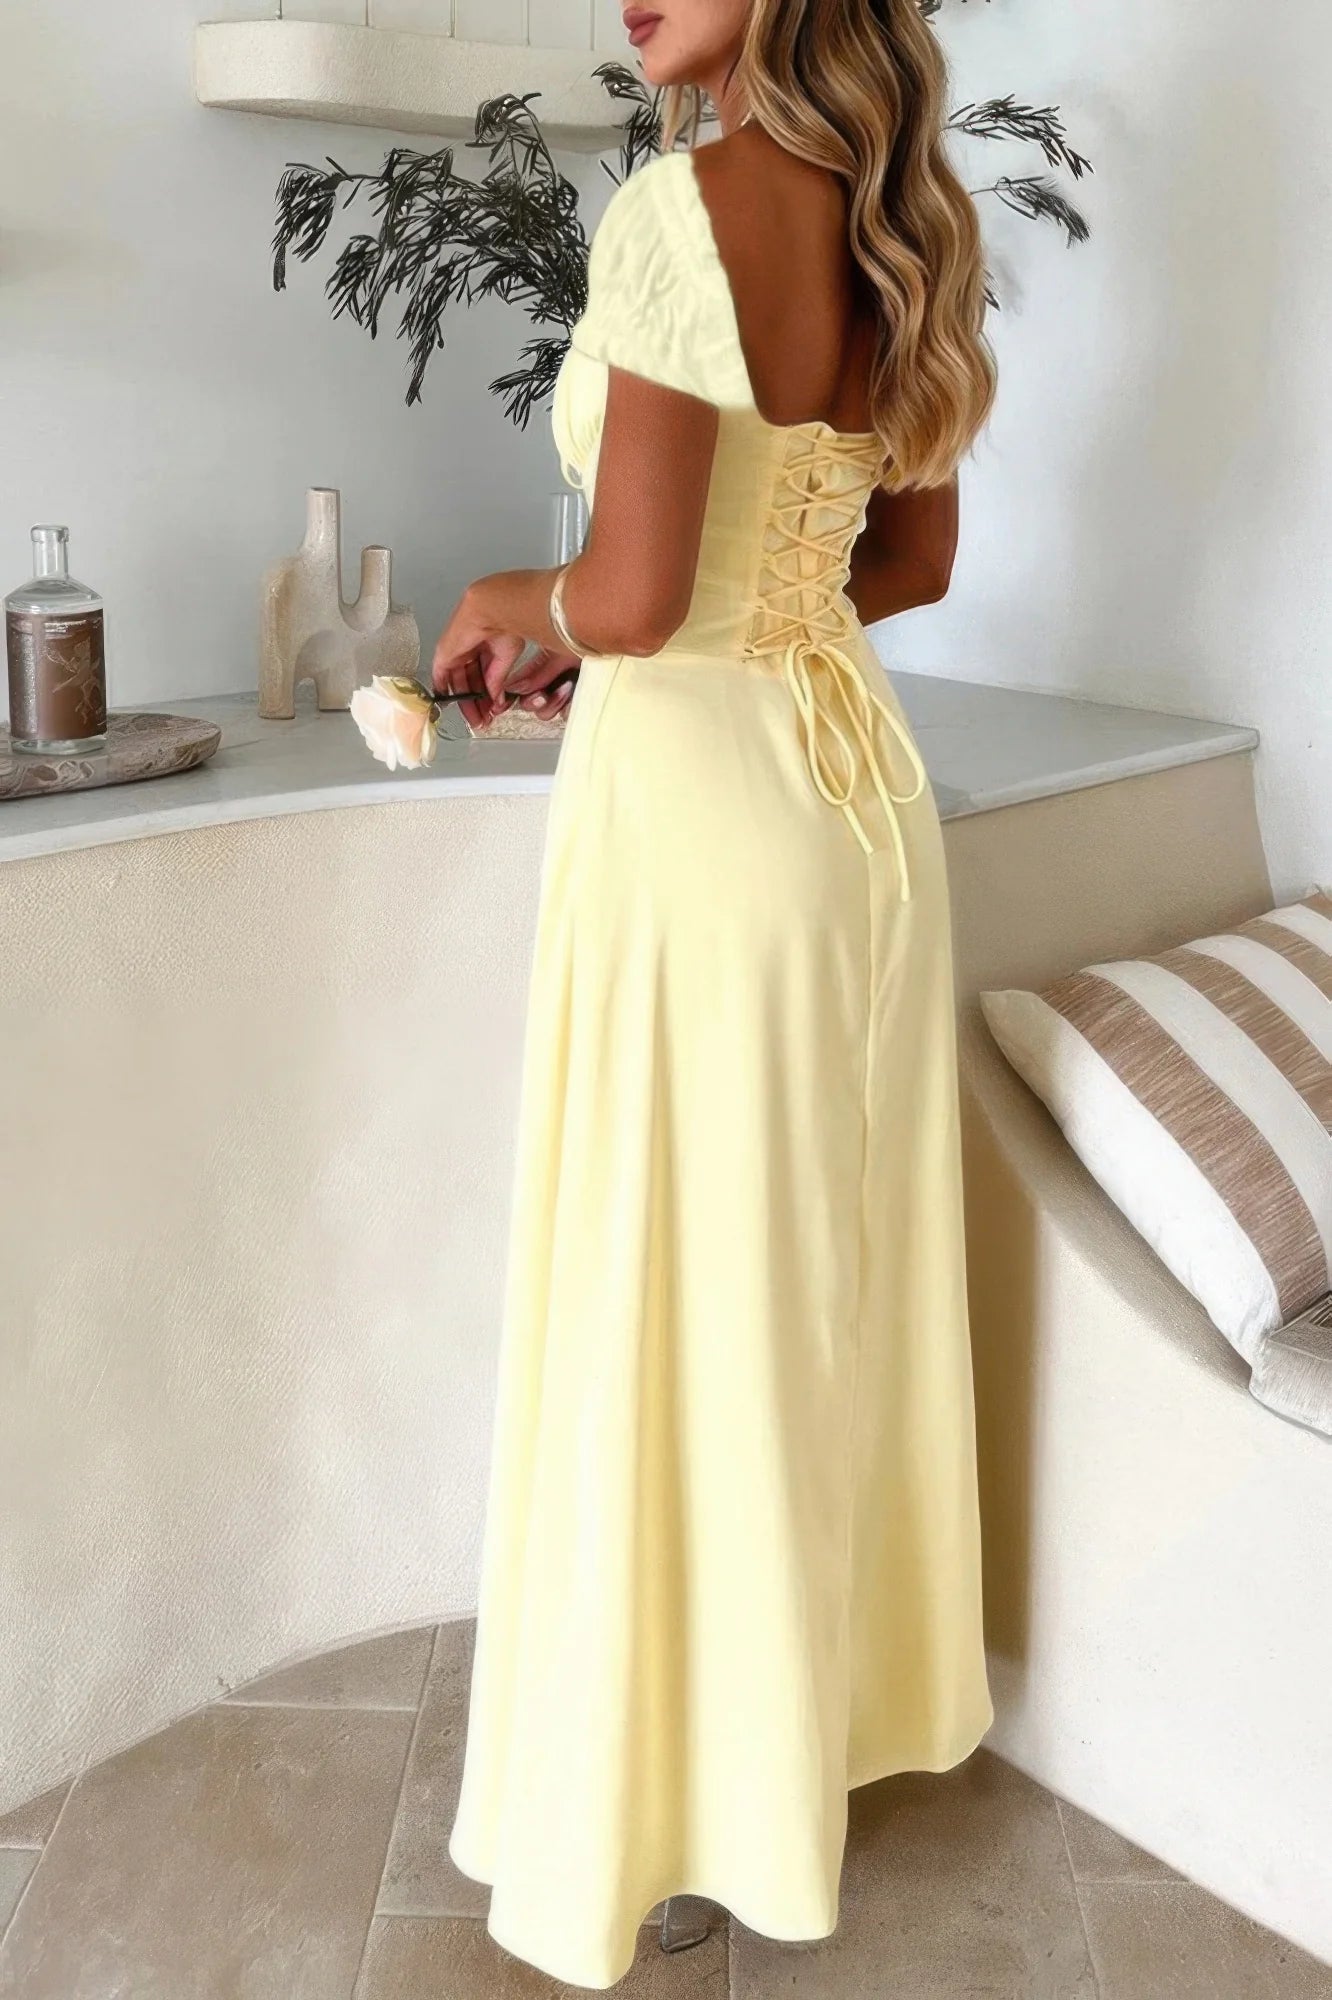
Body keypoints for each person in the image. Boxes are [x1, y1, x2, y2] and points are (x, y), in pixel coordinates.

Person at [432, 0, 997, 1986]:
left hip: (699, 832)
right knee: (812, 1286)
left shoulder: (682, 211)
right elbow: (902, 565)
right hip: (853, 818)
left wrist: (514, 606)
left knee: (664, 1289)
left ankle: (664, 1810)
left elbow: (637, 592)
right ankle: (789, 1759)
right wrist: (665, 626)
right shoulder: (900, 217)